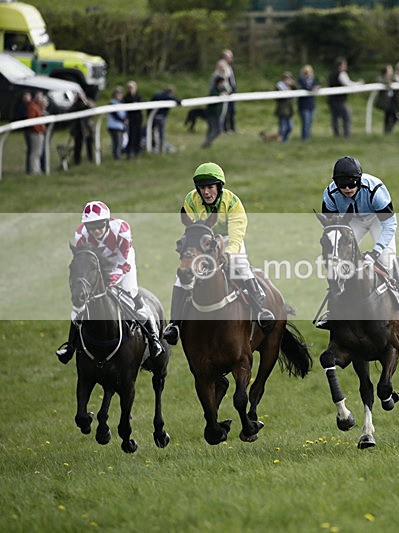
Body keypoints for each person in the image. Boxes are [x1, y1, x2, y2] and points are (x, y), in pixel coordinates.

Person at [163, 163, 275, 345]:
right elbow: (191, 230)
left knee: (240, 266)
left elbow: (237, 235)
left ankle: (261, 310)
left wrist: (228, 254)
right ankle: (174, 325)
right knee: (181, 277)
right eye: (202, 188)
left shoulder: (232, 202)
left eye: (210, 187)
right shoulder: (190, 200)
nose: (206, 192)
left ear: (219, 187)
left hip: (229, 238)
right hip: (203, 241)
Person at [55, 201, 164, 364]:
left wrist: (113, 278)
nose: (96, 231)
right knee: (81, 303)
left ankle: (154, 339)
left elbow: (124, 262)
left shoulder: (122, 230)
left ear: (107, 222)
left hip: (121, 261)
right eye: (92, 227)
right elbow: (83, 260)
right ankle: (70, 346)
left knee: (131, 292)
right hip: (96, 265)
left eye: (100, 226)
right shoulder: (80, 234)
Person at [318, 156, 399, 327]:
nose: (347, 189)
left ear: (359, 180)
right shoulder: (330, 194)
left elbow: (390, 224)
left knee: (386, 261)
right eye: (342, 185)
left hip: (378, 220)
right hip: (353, 221)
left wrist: (375, 253)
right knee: (337, 261)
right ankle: (333, 309)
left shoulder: (375, 190)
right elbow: (331, 227)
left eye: (351, 184)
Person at [327, 57, 363, 138]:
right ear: (340, 66)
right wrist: (358, 84)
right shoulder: (341, 74)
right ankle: (347, 134)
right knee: (346, 116)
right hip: (340, 100)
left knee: (335, 117)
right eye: (344, 64)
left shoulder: (331, 73)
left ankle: (336, 135)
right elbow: (348, 84)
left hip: (331, 99)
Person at [150, 85, 181, 154]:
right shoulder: (167, 96)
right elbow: (177, 100)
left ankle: (153, 147)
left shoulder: (157, 95)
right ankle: (161, 149)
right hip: (160, 117)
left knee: (152, 132)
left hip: (152, 116)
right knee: (161, 134)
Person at [203, 76, 229, 148]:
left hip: (218, 114)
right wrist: (219, 95)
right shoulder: (214, 90)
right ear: (219, 83)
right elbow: (212, 98)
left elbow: (230, 92)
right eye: (223, 82)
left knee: (212, 130)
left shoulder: (223, 89)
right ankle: (207, 143)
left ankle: (207, 143)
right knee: (216, 130)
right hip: (212, 114)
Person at [69, 92, 94, 165]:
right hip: (77, 128)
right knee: (78, 145)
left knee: (89, 144)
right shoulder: (75, 104)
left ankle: (90, 158)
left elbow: (92, 108)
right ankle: (77, 161)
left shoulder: (87, 101)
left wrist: (84, 100)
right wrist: (75, 101)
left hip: (87, 128)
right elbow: (70, 111)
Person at [297, 64, 319, 141]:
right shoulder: (301, 80)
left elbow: (317, 85)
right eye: (305, 72)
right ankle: (304, 138)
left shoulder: (313, 79)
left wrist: (316, 87)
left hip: (311, 104)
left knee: (310, 121)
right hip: (303, 105)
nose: (307, 73)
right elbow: (305, 87)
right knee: (305, 122)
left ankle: (308, 136)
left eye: (308, 71)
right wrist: (312, 88)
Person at [26, 90, 46, 175]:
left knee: (38, 152)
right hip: (35, 133)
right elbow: (32, 121)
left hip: (39, 132)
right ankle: (34, 170)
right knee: (35, 152)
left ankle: (37, 169)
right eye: (39, 96)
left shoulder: (38, 106)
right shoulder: (32, 107)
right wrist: (39, 130)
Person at [375, 64, 397, 134]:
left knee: (393, 116)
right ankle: (387, 131)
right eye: (389, 69)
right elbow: (378, 80)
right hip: (385, 101)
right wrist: (387, 82)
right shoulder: (381, 77)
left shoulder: (394, 78)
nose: (391, 71)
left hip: (392, 100)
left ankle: (388, 130)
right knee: (388, 116)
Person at [122, 80, 142, 159]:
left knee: (138, 135)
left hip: (138, 119)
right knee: (131, 136)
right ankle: (129, 153)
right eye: (129, 88)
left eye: (132, 87)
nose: (131, 89)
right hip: (130, 119)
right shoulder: (126, 97)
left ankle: (137, 153)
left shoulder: (138, 96)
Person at [107, 87, 127, 160]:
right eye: (118, 94)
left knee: (120, 142)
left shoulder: (120, 103)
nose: (119, 95)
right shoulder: (111, 103)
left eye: (120, 94)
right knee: (117, 143)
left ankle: (117, 156)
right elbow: (115, 115)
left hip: (120, 126)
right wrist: (123, 120)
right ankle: (116, 157)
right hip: (114, 126)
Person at [275, 71, 295, 143]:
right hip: (282, 109)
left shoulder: (292, 86)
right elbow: (277, 98)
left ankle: (285, 139)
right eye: (286, 78)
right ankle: (281, 141)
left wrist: (292, 85)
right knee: (283, 127)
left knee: (290, 127)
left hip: (289, 110)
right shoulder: (279, 86)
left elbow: (297, 90)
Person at [16, 91, 33, 173]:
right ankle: (29, 168)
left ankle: (31, 168)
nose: (26, 98)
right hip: (28, 131)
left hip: (33, 130)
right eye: (25, 96)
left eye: (28, 96)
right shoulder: (22, 107)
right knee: (31, 149)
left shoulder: (32, 105)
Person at [221, 49, 237, 133]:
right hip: (226, 90)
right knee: (226, 110)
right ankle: (225, 128)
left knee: (232, 110)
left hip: (232, 90)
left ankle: (232, 127)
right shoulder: (222, 67)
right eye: (229, 57)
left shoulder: (230, 67)